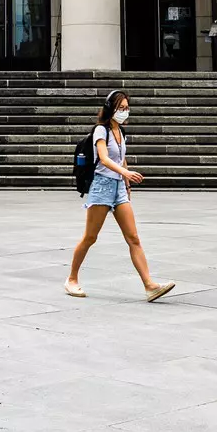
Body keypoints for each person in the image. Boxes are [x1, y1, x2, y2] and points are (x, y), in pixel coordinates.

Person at [65, 90, 174, 302]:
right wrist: (126, 174)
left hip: (119, 189)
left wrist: (126, 183)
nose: (125, 112)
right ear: (110, 109)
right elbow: (104, 159)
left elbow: (121, 159)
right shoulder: (100, 130)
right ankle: (71, 279)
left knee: (133, 238)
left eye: (126, 108)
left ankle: (149, 285)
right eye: (120, 108)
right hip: (102, 186)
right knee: (90, 237)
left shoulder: (121, 132)